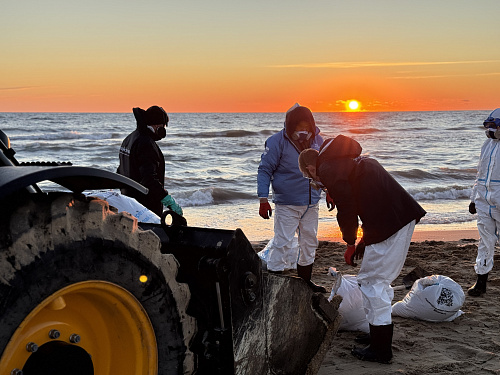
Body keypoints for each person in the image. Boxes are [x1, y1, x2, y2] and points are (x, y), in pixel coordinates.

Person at [298, 135, 426, 364]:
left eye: (310, 178)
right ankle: (377, 336)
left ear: (310, 168)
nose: (315, 182)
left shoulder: (328, 169)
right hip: (395, 219)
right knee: (375, 281)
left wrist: (349, 243)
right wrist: (363, 242)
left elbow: (347, 208)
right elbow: (371, 202)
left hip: (392, 223)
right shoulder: (351, 164)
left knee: (372, 283)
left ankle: (381, 350)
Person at [257, 103, 331, 293]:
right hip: (287, 203)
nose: (304, 132)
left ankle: (305, 281)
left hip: (311, 203)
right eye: (299, 128)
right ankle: (274, 281)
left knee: (309, 241)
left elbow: (323, 170)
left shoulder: (318, 141)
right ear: (290, 127)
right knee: (282, 241)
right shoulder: (276, 142)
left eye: (307, 128)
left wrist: (329, 191)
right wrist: (263, 199)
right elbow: (265, 170)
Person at [117, 106, 183, 218]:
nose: (163, 130)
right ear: (157, 125)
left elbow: (120, 171)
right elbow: (149, 179)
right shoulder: (146, 143)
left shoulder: (129, 138)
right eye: (163, 126)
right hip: (144, 207)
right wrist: (167, 199)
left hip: (129, 203)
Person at [468, 108, 500, 297]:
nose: (489, 130)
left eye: (493, 126)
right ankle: (481, 282)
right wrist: (474, 199)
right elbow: (480, 175)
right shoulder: (486, 145)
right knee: (485, 242)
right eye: (487, 126)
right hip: (484, 201)